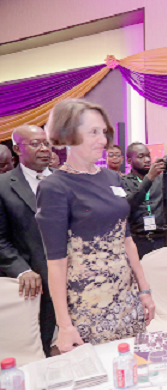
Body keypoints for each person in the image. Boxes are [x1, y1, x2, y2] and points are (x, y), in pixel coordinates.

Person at [36, 99, 155, 352]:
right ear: (68, 134)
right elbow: (56, 262)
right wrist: (65, 325)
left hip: (127, 295)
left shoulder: (112, 177)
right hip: (88, 303)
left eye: (103, 132)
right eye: (93, 132)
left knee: (134, 363)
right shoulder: (54, 187)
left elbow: (126, 238)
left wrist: (144, 289)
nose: (103, 140)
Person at [0, 125, 54, 356]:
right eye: (35, 144)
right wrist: (22, 271)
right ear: (17, 149)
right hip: (37, 283)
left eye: (46, 143)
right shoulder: (3, 186)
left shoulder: (67, 181)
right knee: (40, 349)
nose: (44, 149)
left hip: (76, 279)